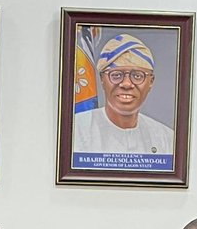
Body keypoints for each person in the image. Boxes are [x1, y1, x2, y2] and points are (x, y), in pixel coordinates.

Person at [70, 33, 175, 161]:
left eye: (137, 76)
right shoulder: (75, 131)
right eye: (116, 75)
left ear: (151, 82)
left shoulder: (166, 139)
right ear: (102, 79)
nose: (126, 84)